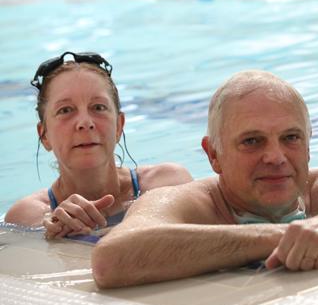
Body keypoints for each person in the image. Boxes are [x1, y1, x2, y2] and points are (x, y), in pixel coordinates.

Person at [91, 70, 318, 288]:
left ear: (308, 145)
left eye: (290, 138)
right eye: (252, 142)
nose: (275, 157)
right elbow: (111, 260)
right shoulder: (190, 203)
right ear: (213, 155)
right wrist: (288, 236)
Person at [4, 52, 193, 237]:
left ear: (119, 126)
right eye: (66, 110)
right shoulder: (27, 217)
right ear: (44, 135)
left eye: (98, 107)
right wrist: (51, 233)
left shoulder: (166, 184)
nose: (85, 122)